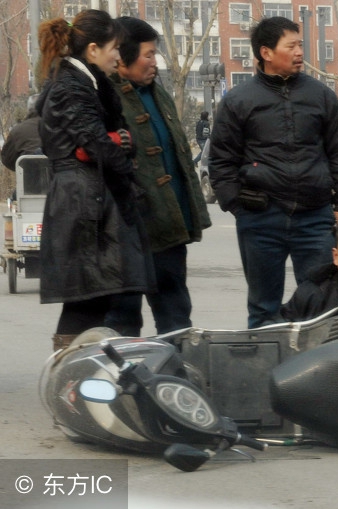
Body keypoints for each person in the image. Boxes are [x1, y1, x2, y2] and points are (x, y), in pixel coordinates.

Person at [207, 16, 338, 328]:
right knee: (264, 308)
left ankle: (319, 373)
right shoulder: (238, 100)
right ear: (266, 52)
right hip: (261, 219)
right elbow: (221, 161)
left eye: (300, 45)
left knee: (321, 305)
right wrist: (238, 207)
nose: (299, 52)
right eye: (291, 46)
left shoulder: (321, 96)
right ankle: (267, 371)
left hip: (316, 218)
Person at [35, 10, 155, 350]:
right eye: (115, 47)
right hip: (82, 200)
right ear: (92, 50)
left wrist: (118, 141)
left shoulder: (84, 82)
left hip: (89, 196)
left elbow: (97, 141)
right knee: (86, 298)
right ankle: (69, 376)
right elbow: (94, 142)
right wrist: (121, 150)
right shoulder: (70, 86)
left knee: (93, 296)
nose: (118, 55)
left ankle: (76, 375)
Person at [103, 17, 212, 337]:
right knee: (122, 318)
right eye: (148, 54)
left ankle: (174, 377)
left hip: (168, 228)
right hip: (126, 232)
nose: (154, 62)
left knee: (176, 314)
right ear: (122, 57)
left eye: (155, 54)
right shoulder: (105, 98)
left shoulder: (160, 95)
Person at [2, 96, 42, 173]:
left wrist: (21, 169)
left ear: (29, 109)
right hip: (57, 180)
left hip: (29, 179)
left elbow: (7, 159)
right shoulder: (57, 127)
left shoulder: (18, 130)